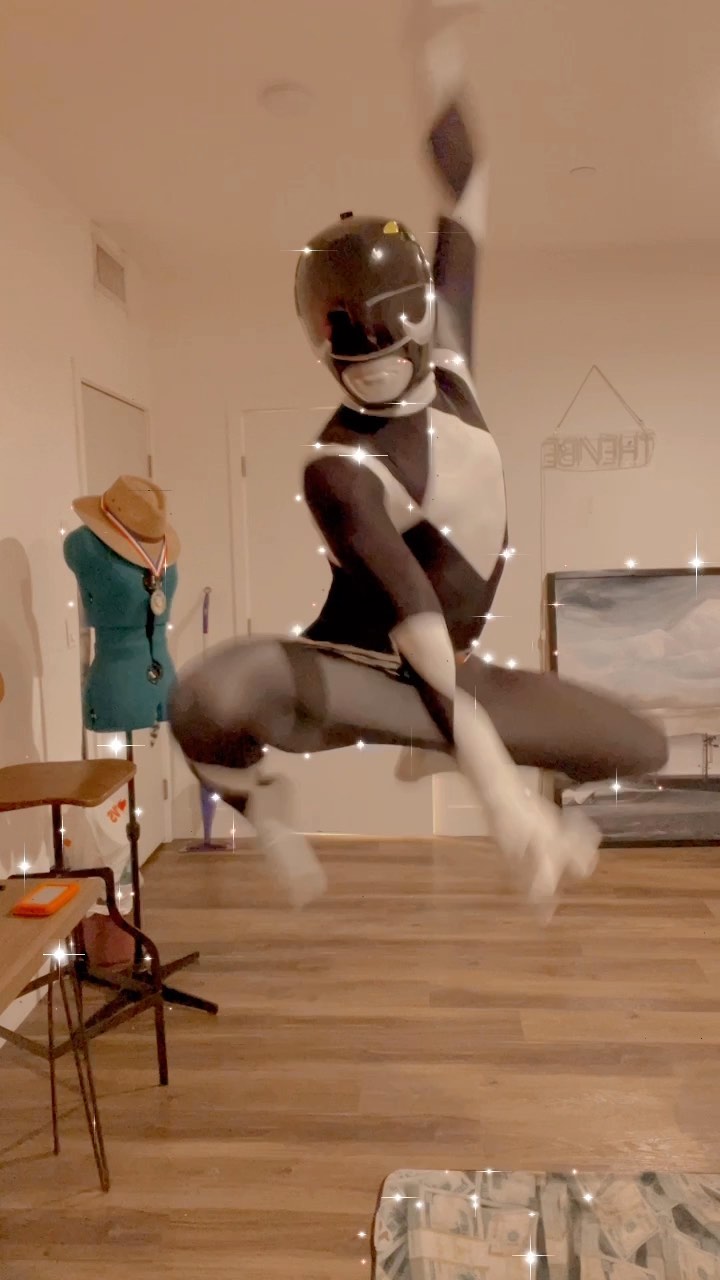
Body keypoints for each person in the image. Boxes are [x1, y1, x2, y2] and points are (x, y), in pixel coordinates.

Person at [168, 0, 666, 915]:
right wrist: (504, 801)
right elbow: (418, 633)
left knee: (643, 746)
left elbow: (466, 186)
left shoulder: (452, 358)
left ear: (424, 328)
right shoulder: (339, 469)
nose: (377, 384)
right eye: (355, 372)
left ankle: (436, 749)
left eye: (394, 360)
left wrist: (437, 50)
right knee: (208, 698)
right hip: (358, 676)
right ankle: (264, 802)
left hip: (450, 678)